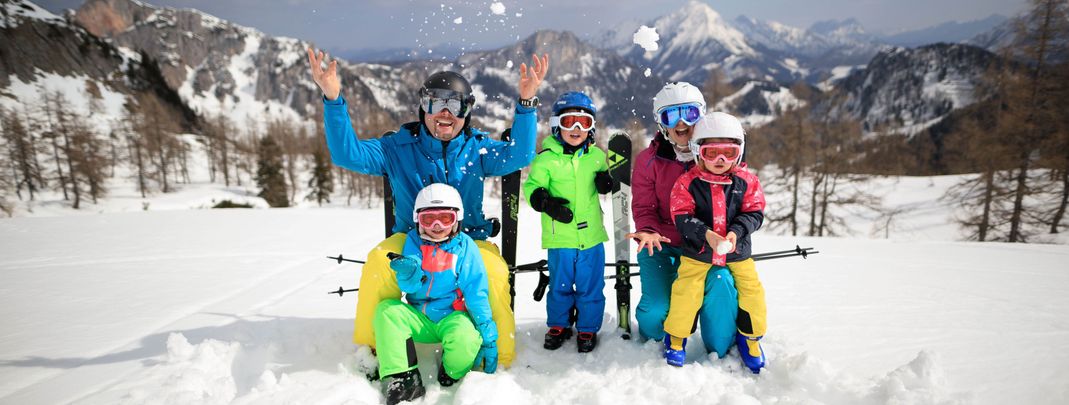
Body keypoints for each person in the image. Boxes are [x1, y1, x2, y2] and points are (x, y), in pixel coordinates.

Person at [306, 47, 549, 369]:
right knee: (380, 262)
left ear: (467, 112)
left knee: (493, 272)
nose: (445, 114)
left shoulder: (476, 148)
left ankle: (499, 358)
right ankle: (373, 351)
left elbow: (518, 156)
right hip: (412, 240)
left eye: (456, 105)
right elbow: (347, 155)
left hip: (469, 240)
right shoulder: (397, 148)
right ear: (423, 107)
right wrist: (333, 99)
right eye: (436, 103)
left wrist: (527, 104)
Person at [627, 82, 739, 361]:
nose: (680, 123)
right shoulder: (649, 161)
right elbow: (643, 205)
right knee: (656, 315)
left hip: (704, 245)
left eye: (688, 113)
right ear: (660, 122)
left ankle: (720, 349)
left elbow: (739, 195)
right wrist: (649, 230)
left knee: (722, 284)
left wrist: (734, 232)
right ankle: (665, 337)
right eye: (670, 115)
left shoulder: (717, 154)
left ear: (701, 115)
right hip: (662, 243)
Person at [375, 183, 498, 404]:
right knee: (387, 311)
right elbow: (410, 287)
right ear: (418, 220)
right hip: (418, 317)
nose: (438, 226)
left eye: (446, 218)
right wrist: (410, 272)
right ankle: (405, 378)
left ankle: (451, 371)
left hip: (451, 316)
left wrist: (488, 335)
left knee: (466, 337)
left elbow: (476, 291)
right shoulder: (413, 241)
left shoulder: (465, 247)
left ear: (457, 219)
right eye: (429, 219)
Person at [664, 112, 768, 372]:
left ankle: (750, 337)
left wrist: (736, 233)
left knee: (752, 291)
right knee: (686, 291)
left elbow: (754, 213)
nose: (720, 160)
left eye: (728, 153)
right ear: (699, 152)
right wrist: (706, 234)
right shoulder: (687, 183)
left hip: (738, 253)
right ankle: (676, 336)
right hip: (698, 253)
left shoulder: (747, 182)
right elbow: (682, 216)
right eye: (712, 153)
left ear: (739, 153)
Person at [522, 91, 612, 353]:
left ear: (591, 128)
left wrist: (606, 181)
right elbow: (532, 187)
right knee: (560, 284)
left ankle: (587, 327)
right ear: (556, 125)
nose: (575, 128)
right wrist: (545, 202)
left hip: (592, 237)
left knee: (591, 285)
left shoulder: (596, 157)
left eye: (583, 123)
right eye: (569, 121)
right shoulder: (546, 159)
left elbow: (604, 179)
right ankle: (559, 324)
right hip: (560, 237)